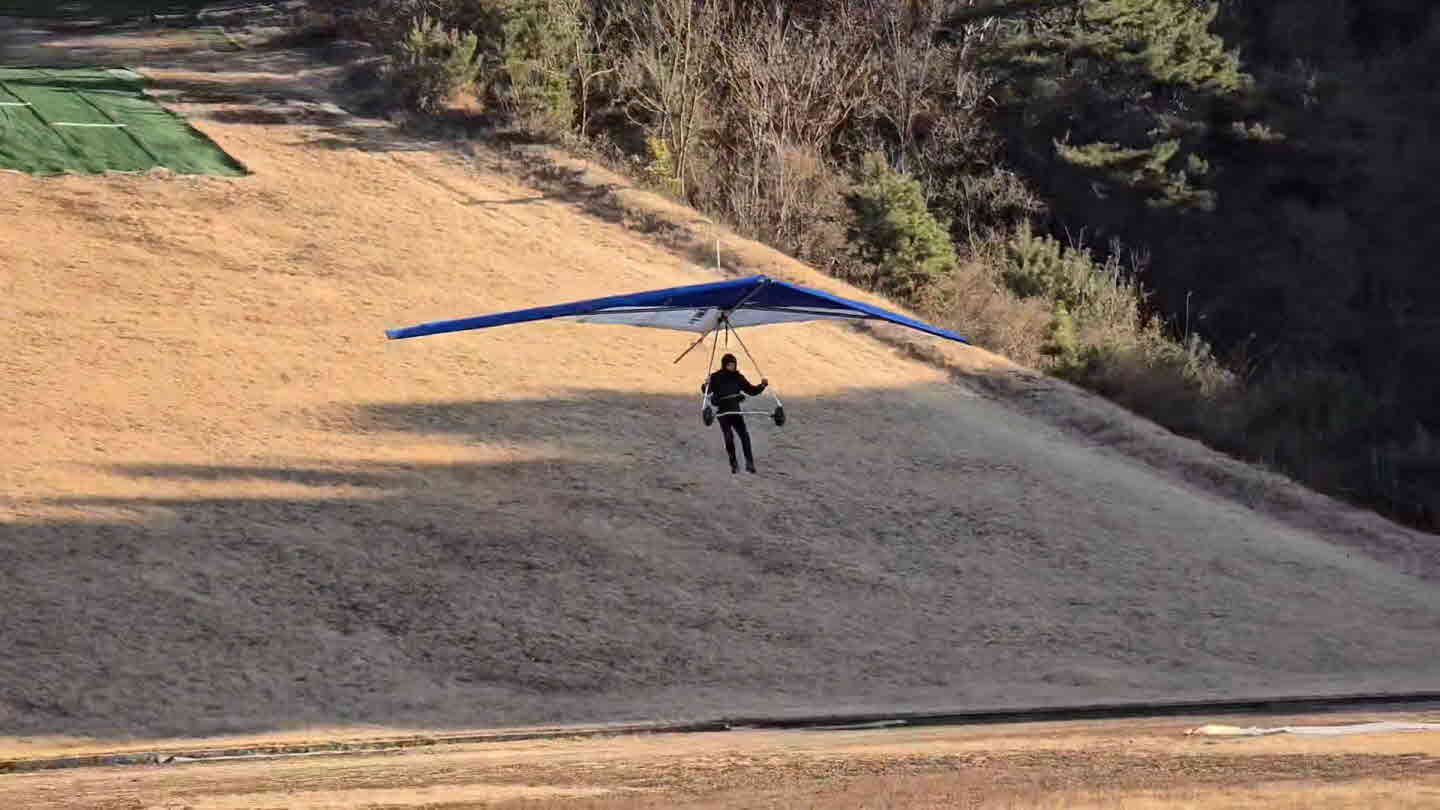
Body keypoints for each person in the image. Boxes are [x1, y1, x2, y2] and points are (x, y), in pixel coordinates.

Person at [702, 353, 768, 473]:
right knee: (729, 437)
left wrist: (762, 385)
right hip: (723, 413)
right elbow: (706, 391)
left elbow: (751, 390)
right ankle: (733, 463)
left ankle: (749, 463)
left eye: (733, 364)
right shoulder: (716, 377)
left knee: (744, 436)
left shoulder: (738, 377)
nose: (732, 367)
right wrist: (706, 384)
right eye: (729, 365)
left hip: (735, 411)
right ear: (724, 365)